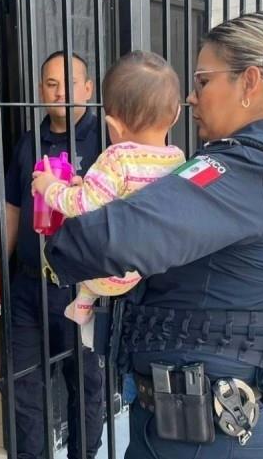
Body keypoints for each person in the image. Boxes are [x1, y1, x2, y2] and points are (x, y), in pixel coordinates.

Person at [43, 11, 263, 459]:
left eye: (203, 81)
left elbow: (103, 241)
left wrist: (58, 251)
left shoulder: (234, 174)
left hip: (203, 435)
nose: (190, 97)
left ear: (250, 83)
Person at [0, 51, 105, 459]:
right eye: (51, 84)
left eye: (69, 83)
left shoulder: (105, 142)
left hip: (83, 290)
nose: (60, 92)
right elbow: (13, 210)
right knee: (23, 386)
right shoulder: (28, 144)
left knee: (85, 386)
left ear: (88, 88)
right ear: (41, 90)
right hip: (29, 288)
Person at [31, 51, 185, 346]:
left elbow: (82, 205)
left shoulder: (117, 157)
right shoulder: (177, 158)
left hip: (105, 272)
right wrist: (85, 185)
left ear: (113, 126)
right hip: (147, 265)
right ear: (176, 114)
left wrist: (49, 186)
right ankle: (84, 311)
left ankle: (83, 308)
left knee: (68, 258)